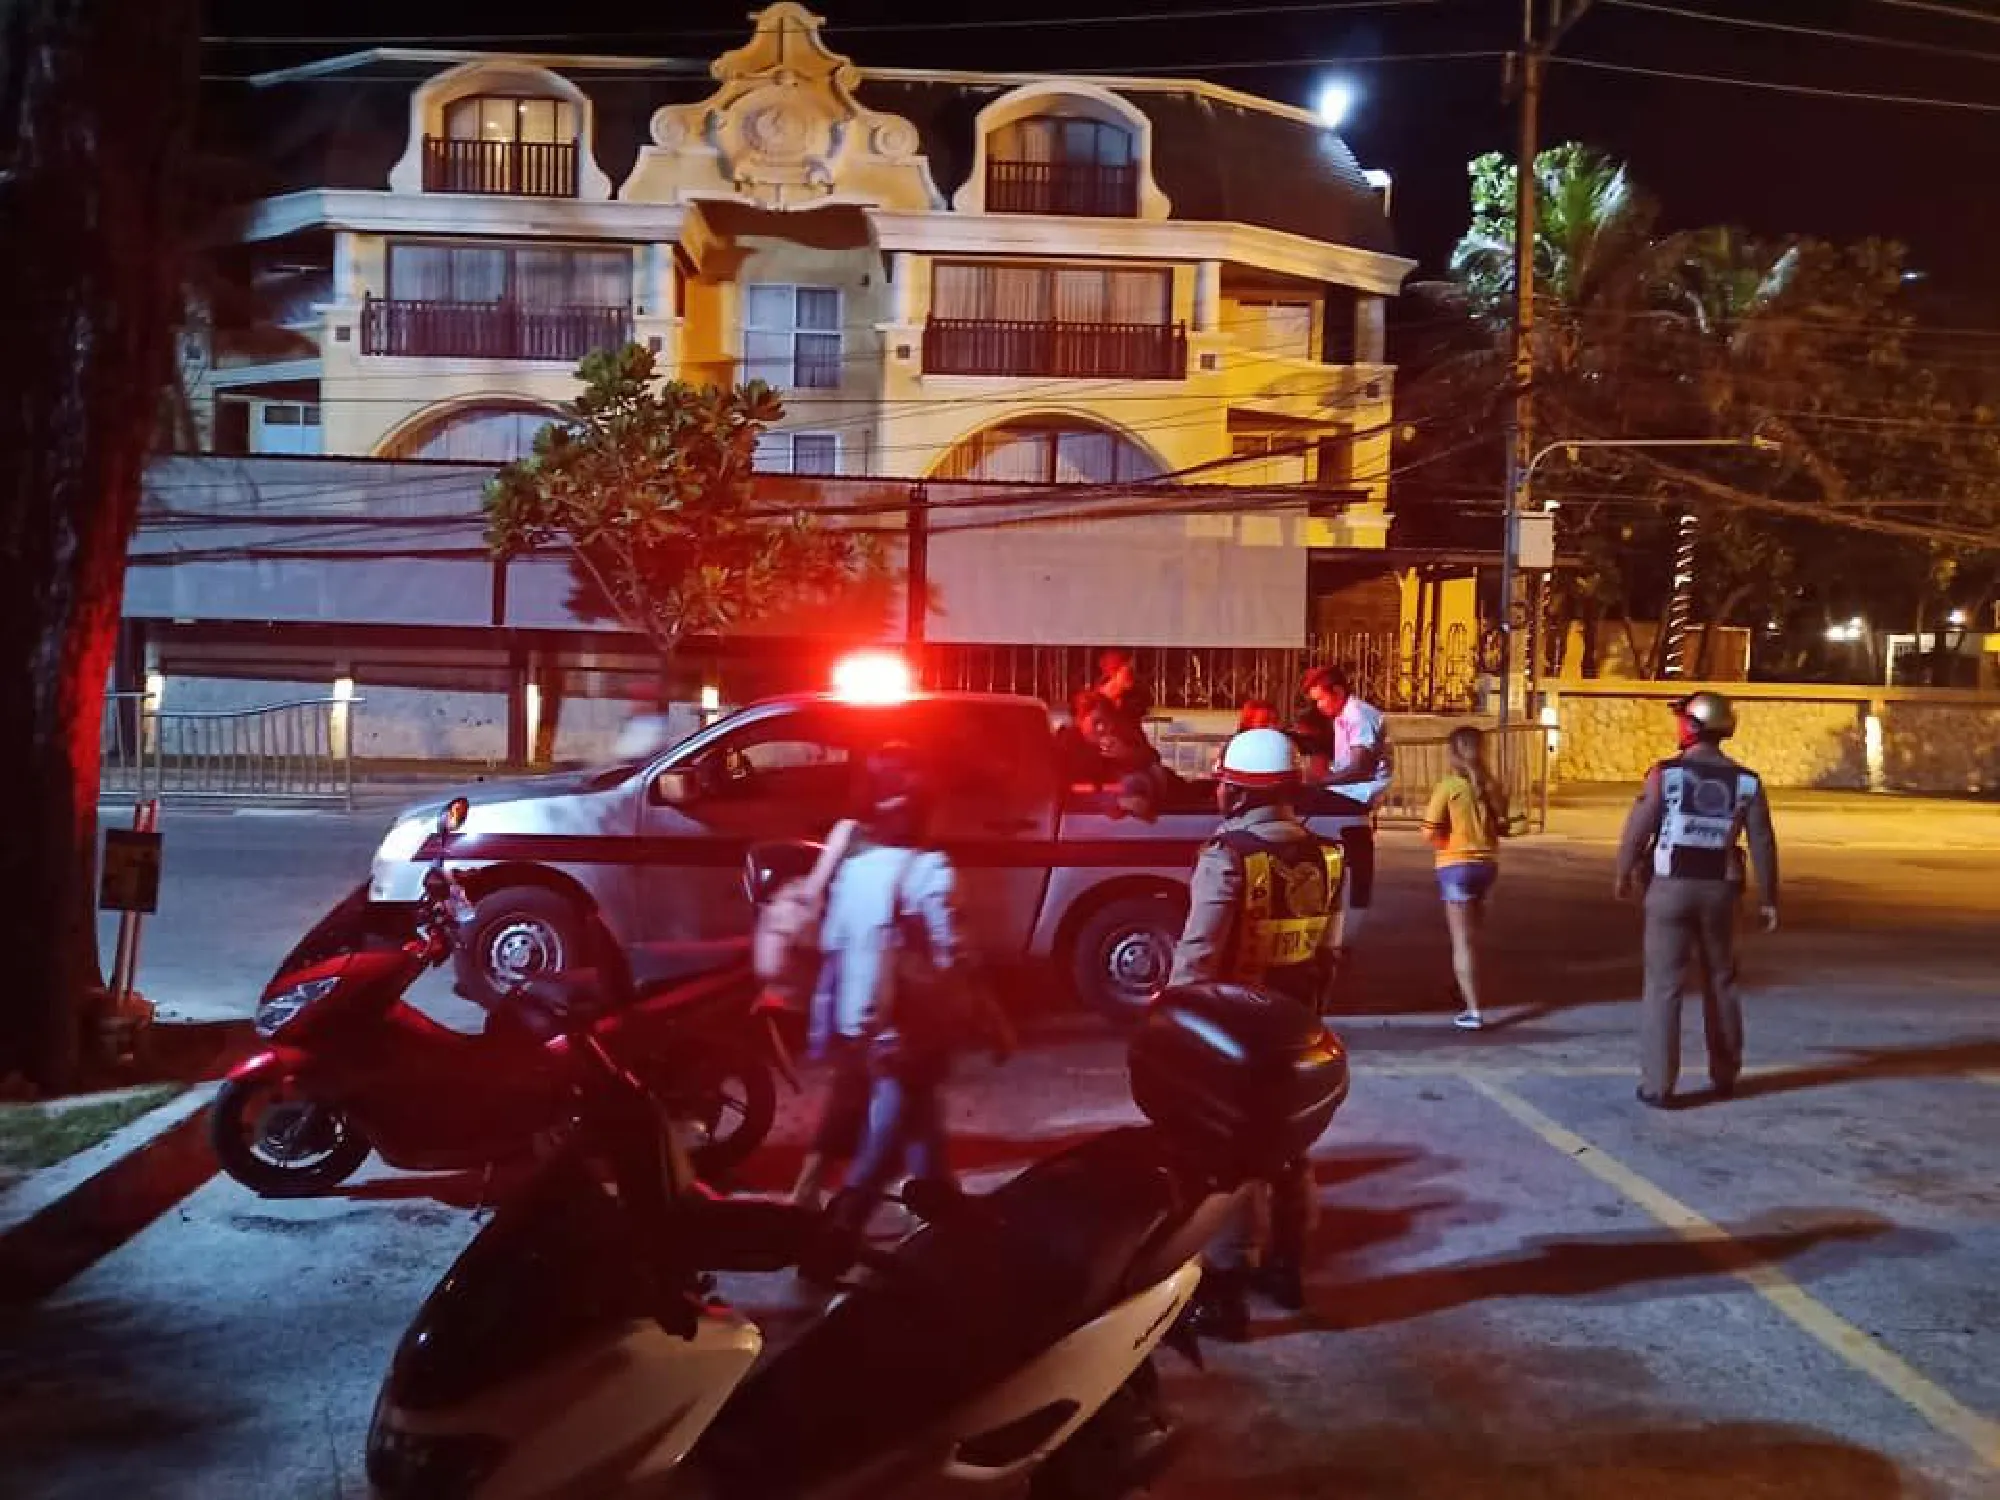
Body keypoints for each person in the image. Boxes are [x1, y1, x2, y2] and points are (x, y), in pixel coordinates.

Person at [1169, 727, 1346, 1340]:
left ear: (1240, 795)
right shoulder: (1327, 855)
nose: (1218, 793)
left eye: (1225, 785)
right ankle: (1286, 1270)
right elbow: (1330, 953)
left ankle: (1222, 1293)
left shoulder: (1228, 855)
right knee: (1290, 1154)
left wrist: (1172, 1023)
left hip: (1233, 1031)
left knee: (1230, 1162)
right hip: (1298, 1028)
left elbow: (1197, 953)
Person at [813, 746, 996, 1257]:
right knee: (888, 1134)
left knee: (920, 1124)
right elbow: (954, 954)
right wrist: (991, 1017)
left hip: (862, 1022)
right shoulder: (932, 872)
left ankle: (947, 1211)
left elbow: (833, 944)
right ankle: (837, 1235)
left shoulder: (857, 869)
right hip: (912, 1028)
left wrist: (829, 1024)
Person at [1614, 691, 1780, 1108]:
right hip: (1721, 891)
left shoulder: (1665, 774)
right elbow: (1762, 840)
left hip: (1670, 888)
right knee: (1721, 981)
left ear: (1693, 726)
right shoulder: (1747, 781)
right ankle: (1725, 1075)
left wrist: (1623, 870)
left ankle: (1658, 1085)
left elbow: (1639, 827)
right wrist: (1769, 898)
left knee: (1663, 987)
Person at [1298, 665, 1393, 994]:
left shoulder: (1358, 716)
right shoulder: (1342, 717)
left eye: (1321, 700)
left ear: (1337, 692)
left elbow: (1361, 765)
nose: (1319, 707)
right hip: (1347, 794)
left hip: (1352, 796)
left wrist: (1322, 782)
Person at [1422, 726, 1508, 1031]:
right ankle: (1461, 989)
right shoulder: (1493, 786)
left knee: (1462, 942)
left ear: (1453, 753)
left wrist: (1442, 841)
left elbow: (1430, 830)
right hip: (1487, 866)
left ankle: (1473, 1010)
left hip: (1455, 866)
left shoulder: (1448, 786)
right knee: (1472, 938)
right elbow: (1503, 824)